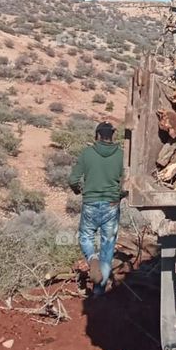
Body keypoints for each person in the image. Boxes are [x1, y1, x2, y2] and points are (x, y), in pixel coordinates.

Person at [69, 122, 124, 298]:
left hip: (91, 203)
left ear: (97, 135)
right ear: (112, 135)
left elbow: (73, 179)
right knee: (108, 246)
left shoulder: (87, 154)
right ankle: (99, 291)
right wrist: (119, 195)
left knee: (85, 237)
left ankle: (92, 258)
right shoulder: (122, 155)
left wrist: (80, 190)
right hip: (111, 205)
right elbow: (128, 181)